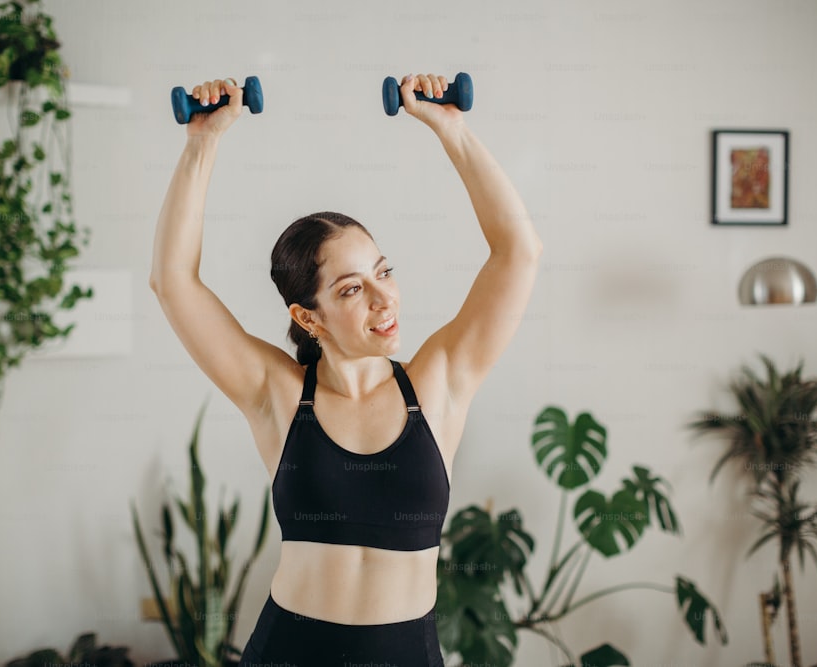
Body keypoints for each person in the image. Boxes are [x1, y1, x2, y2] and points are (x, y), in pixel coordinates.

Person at [149, 72, 542, 666]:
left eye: (384, 273)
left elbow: (518, 251)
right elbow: (173, 281)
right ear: (309, 318)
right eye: (352, 289)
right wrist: (202, 142)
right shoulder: (276, 394)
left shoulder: (438, 383)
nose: (384, 300)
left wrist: (451, 129)